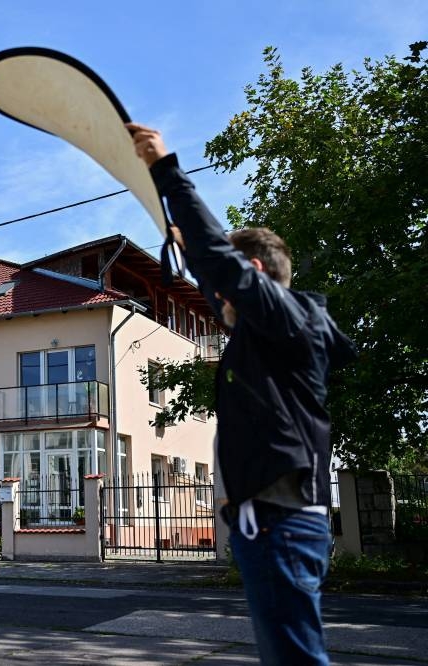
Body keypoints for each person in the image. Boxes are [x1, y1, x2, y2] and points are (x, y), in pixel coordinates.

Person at [127, 122, 356, 665]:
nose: (216, 301)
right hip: (267, 524)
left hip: (280, 523)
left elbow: (220, 266)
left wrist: (166, 170)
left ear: (253, 272)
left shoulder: (289, 318)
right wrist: (188, 248)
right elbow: (217, 281)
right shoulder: (266, 334)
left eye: (229, 282)